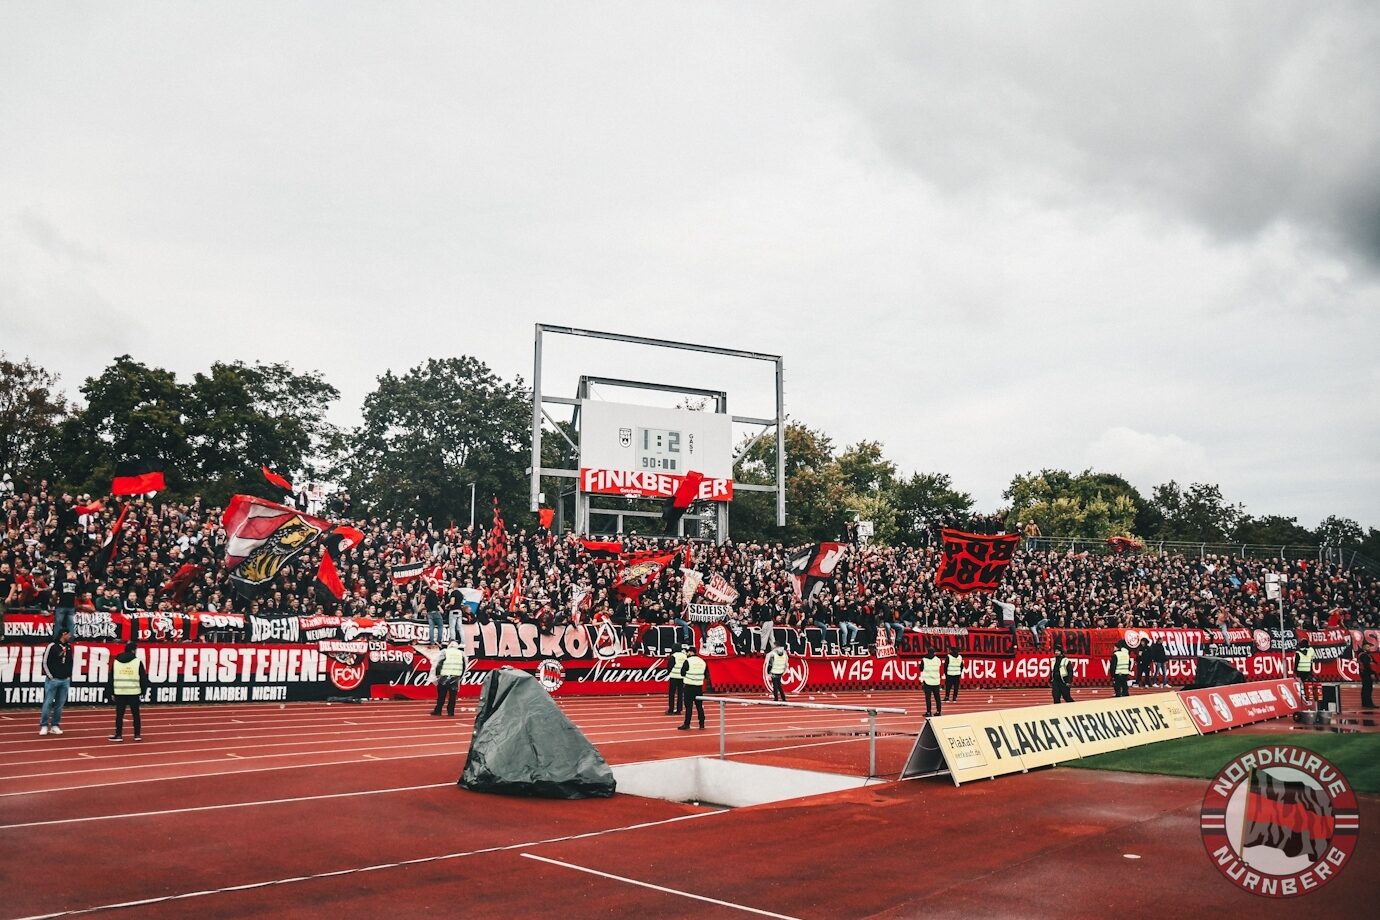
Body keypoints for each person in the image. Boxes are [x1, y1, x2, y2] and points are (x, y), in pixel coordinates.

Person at [107, 640, 149, 742]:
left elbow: (111, 677)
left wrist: (111, 691)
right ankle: (137, 734)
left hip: (120, 691)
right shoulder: (137, 662)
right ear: (133, 651)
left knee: (119, 715)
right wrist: (143, 691)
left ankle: (118, 735)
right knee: (136, 715)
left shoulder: (116, 661)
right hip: (134, 692)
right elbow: (143, 678)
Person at [39, 627, 74, 736]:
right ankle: (44, 725)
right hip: (53, 679)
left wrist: (69, 675)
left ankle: (55, 725)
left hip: (64, 680)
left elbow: (70, 662)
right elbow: (45, 661)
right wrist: (50, 676)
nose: (70, 636)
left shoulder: (68, 647)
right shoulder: (52, 646)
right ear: (63, 634)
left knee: (59, 704)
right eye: (68, 634)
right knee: (48, 703)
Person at [677, 647, 712, 730]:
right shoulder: (702, 661)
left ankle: (687, 724)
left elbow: (682, 673)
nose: (686, 654)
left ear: (691, 652)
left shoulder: (688, 661)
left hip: (689, 686)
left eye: (688, 652)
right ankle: (702, 724)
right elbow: (706, 675)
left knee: (688, 707)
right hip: (699, 687)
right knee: (699, 706)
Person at [430, 640, 467, 717]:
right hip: (456, 677)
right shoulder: (461, 654)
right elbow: (464, 666)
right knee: (452, 696)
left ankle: (438, 711)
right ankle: (451, 712)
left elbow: (439, 663)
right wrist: (460, 677)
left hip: (444, 676)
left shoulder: (445, 652)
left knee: (441, 695)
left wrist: (436, 675)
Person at [666, 644, 688, 714]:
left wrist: (669, 673)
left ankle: (671, 709)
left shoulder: (673, 656)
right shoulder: (685, 656)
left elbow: (669, 666)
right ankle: (679, 709)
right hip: (682, 677)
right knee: (680, 694)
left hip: (674, 676)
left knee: (672, 694)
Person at [921, 648, 943, 717]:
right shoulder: (938, 660)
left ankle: (929, 712)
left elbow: (921, 668)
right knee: (937, 697)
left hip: (927, 681)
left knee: (928, 698)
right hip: (936, 681)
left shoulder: (924, 660)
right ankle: (938, 711)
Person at [1359, 642, 1375, 709]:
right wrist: (1371, 673)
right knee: (1367, 688)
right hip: (1366, 674)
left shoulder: (1366, 655)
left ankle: (1366, 703)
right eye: (1368, 647)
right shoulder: (1364, 655)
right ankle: (1368, 703)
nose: (1369, 648)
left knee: (1366, 688)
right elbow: (1367, 665)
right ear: (1364, 648)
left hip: (1365, 673)